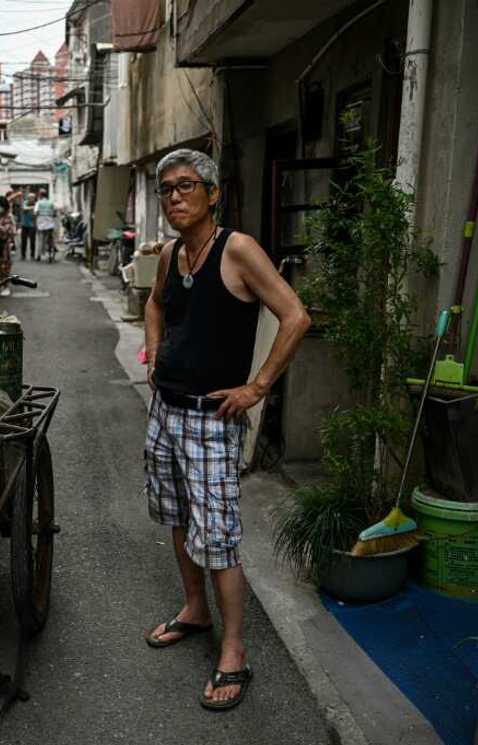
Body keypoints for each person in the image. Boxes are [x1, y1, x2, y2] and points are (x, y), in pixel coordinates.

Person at [142, 149, 311, 711]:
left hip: (212, 419)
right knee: (177, 516)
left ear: (213, 194)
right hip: (166, 409)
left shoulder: (236, 249)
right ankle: (194, 609)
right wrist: (154, 357)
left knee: (217, 537)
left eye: (187, 186)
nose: (175, 196)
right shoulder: (170, 253)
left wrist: (256, 387)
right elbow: (155, 304)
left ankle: (234, 650)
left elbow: (295, 315)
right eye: (166, 189)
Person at [34, 189, 56, 261]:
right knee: (50, 240)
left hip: (41, 223)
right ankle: (50, 255)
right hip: (50, 223)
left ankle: (39, 256)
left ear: (40, 195)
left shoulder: (38, 203)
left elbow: (35, 212)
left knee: (40, 239)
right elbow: (55, 212)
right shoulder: (51, 202)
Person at [20, 193, 37, 261]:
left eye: (32, 198)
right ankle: (23, 255)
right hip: (24, 225)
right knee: (24, 241)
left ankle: (32, 255)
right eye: (30, 198)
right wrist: (33, 207)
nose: (31, 199)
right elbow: (24, 209)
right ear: (28, 198)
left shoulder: (36, 204)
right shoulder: (25, 203)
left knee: (32, 241)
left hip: (32, 225)